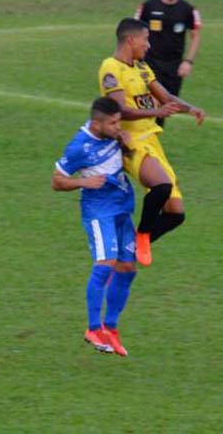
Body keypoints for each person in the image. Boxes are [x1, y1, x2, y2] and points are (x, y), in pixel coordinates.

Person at [98, 18, 206, 267]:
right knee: (161, 186)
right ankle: (143, 234)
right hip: (130, 141)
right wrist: (155, 113)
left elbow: (165, 96)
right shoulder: (110, 68)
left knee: (176, 214)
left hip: (152, 141)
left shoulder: (142, 68)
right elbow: (121, 110)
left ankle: (132, 244)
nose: (148, 45)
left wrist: (190, 108)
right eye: (145, 40)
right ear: (130, 40)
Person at [53, 97, 137, 356]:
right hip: (99, 210)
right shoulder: (79, 146)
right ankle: (92, 328)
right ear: (96, 123)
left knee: (127, 268)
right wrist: (83, 183)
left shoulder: (114, 136)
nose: (117, 126)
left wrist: (127, 146)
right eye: (112, 123)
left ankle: (110, 328)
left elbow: (121, 159)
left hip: (122, 206)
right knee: (105, 263)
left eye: (118, 121)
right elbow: (57, 181)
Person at [133, 0, 202, 127]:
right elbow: (133, 31)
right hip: (149, 64)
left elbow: (196, 35)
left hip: (174, 67)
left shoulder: (188, 10)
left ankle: (152, 143)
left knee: (166, 107)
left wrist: (188, 61)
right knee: (148, 104)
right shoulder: (148, 6)